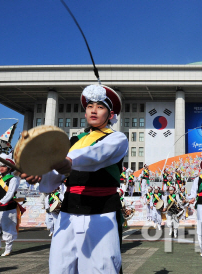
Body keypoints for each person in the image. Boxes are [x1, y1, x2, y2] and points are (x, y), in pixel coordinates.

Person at [24, 84, 128, 273]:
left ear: (110, 114)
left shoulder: (117, 138)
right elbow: (52, 181)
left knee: (101, 268)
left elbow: (96, 154)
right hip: (69, 211)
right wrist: (40, 173)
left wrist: (68, 160)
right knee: (60, 267)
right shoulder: (72, 141)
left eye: (100, 107)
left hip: (101, 211)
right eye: (90, 107)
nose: (93, 110)